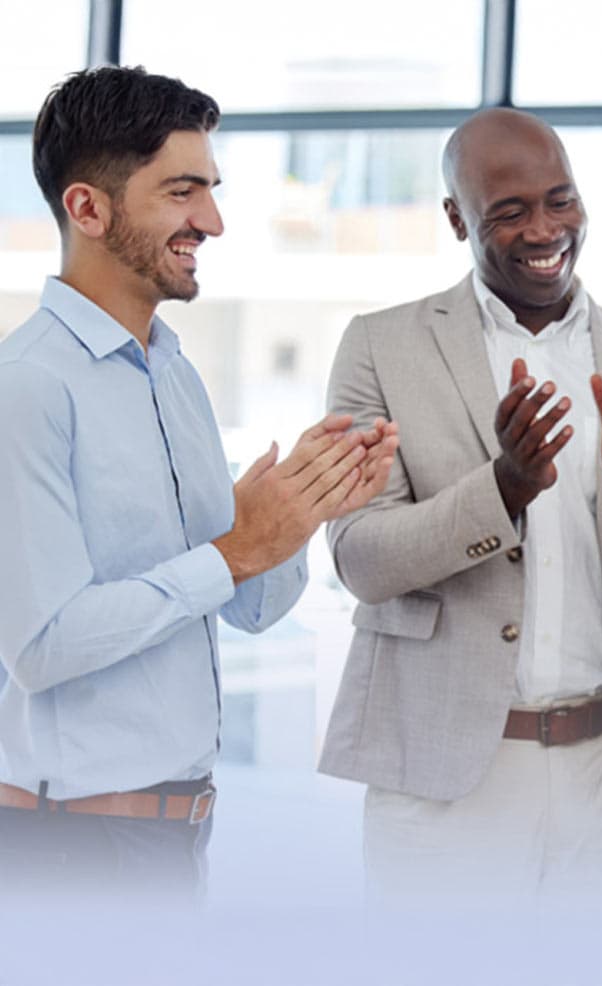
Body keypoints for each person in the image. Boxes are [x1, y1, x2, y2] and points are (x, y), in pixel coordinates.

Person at [0, 66, 397, 898]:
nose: (211, 222)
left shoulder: (174, 372)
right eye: (183, 192)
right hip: (64, 849)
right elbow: (42, 649)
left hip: (172, 842)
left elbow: (248, 605)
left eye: (210, 191)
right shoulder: (26, 387)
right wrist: (235, 546)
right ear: (88, 209)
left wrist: (300, 512)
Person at [318, 108, 602, 908]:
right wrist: (500, 490)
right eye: (508, 212)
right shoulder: (380, 347)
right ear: (455, 218)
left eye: (561, 201)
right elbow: (359, 560)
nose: (545, 229)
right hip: (445, 782)